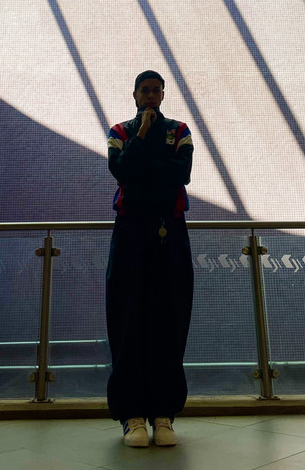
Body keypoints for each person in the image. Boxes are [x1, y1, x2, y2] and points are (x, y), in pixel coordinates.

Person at [106, 70, 194, 447]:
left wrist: (141, 169)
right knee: (128, 317)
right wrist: (142, 137)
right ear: (135, 95)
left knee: (168, 317)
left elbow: (182, 174)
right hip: (130, 233)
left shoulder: (179, 130)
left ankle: (164, 414)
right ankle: (132, 415)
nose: (151, 96)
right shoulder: (120, 131)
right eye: (145, 90)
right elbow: (121, 170)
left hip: (170, 232)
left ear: (163, 94)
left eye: (156, 90)